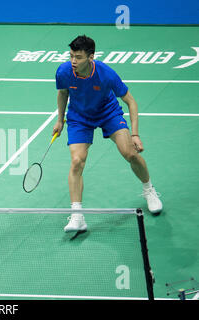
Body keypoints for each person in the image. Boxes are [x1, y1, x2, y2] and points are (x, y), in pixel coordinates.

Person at [52, 35, 162, 233]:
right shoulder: (64, 72)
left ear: (91, 57)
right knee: (77, 161)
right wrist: (60, 120)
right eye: (71, 56)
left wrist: (135, 134)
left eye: (78, 57)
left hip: (108, 113)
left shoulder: (106, 74)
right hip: (79, 117)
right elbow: (63, 93)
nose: (73, 62)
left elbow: (131, 101)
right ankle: (77, 216)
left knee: (129, 153)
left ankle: (149, 190)